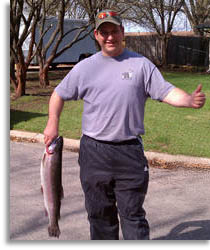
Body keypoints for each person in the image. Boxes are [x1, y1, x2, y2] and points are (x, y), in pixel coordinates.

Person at [43, 9, 206, 240]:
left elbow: (166, 91)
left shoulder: (141, 65)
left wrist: (188, 100)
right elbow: (58, 94)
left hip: (129, 152)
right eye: (104, 32)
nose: (110, 37)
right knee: (100, 215)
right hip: (94, 152)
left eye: (114, 31)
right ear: (97, 35)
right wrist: (52, 122)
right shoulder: (85, 67)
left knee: (133, 215)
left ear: (122, 32)